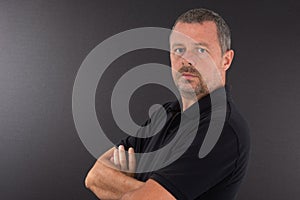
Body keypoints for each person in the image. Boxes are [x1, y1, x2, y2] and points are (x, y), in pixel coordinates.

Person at [85, 8, 250, 200]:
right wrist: (143, 191)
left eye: (201, 50)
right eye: (179, 50)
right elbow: (94, 177)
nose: (187, 60)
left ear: (226, 60)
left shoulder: (223, 130)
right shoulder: (163, 116)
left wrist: (122, 185)